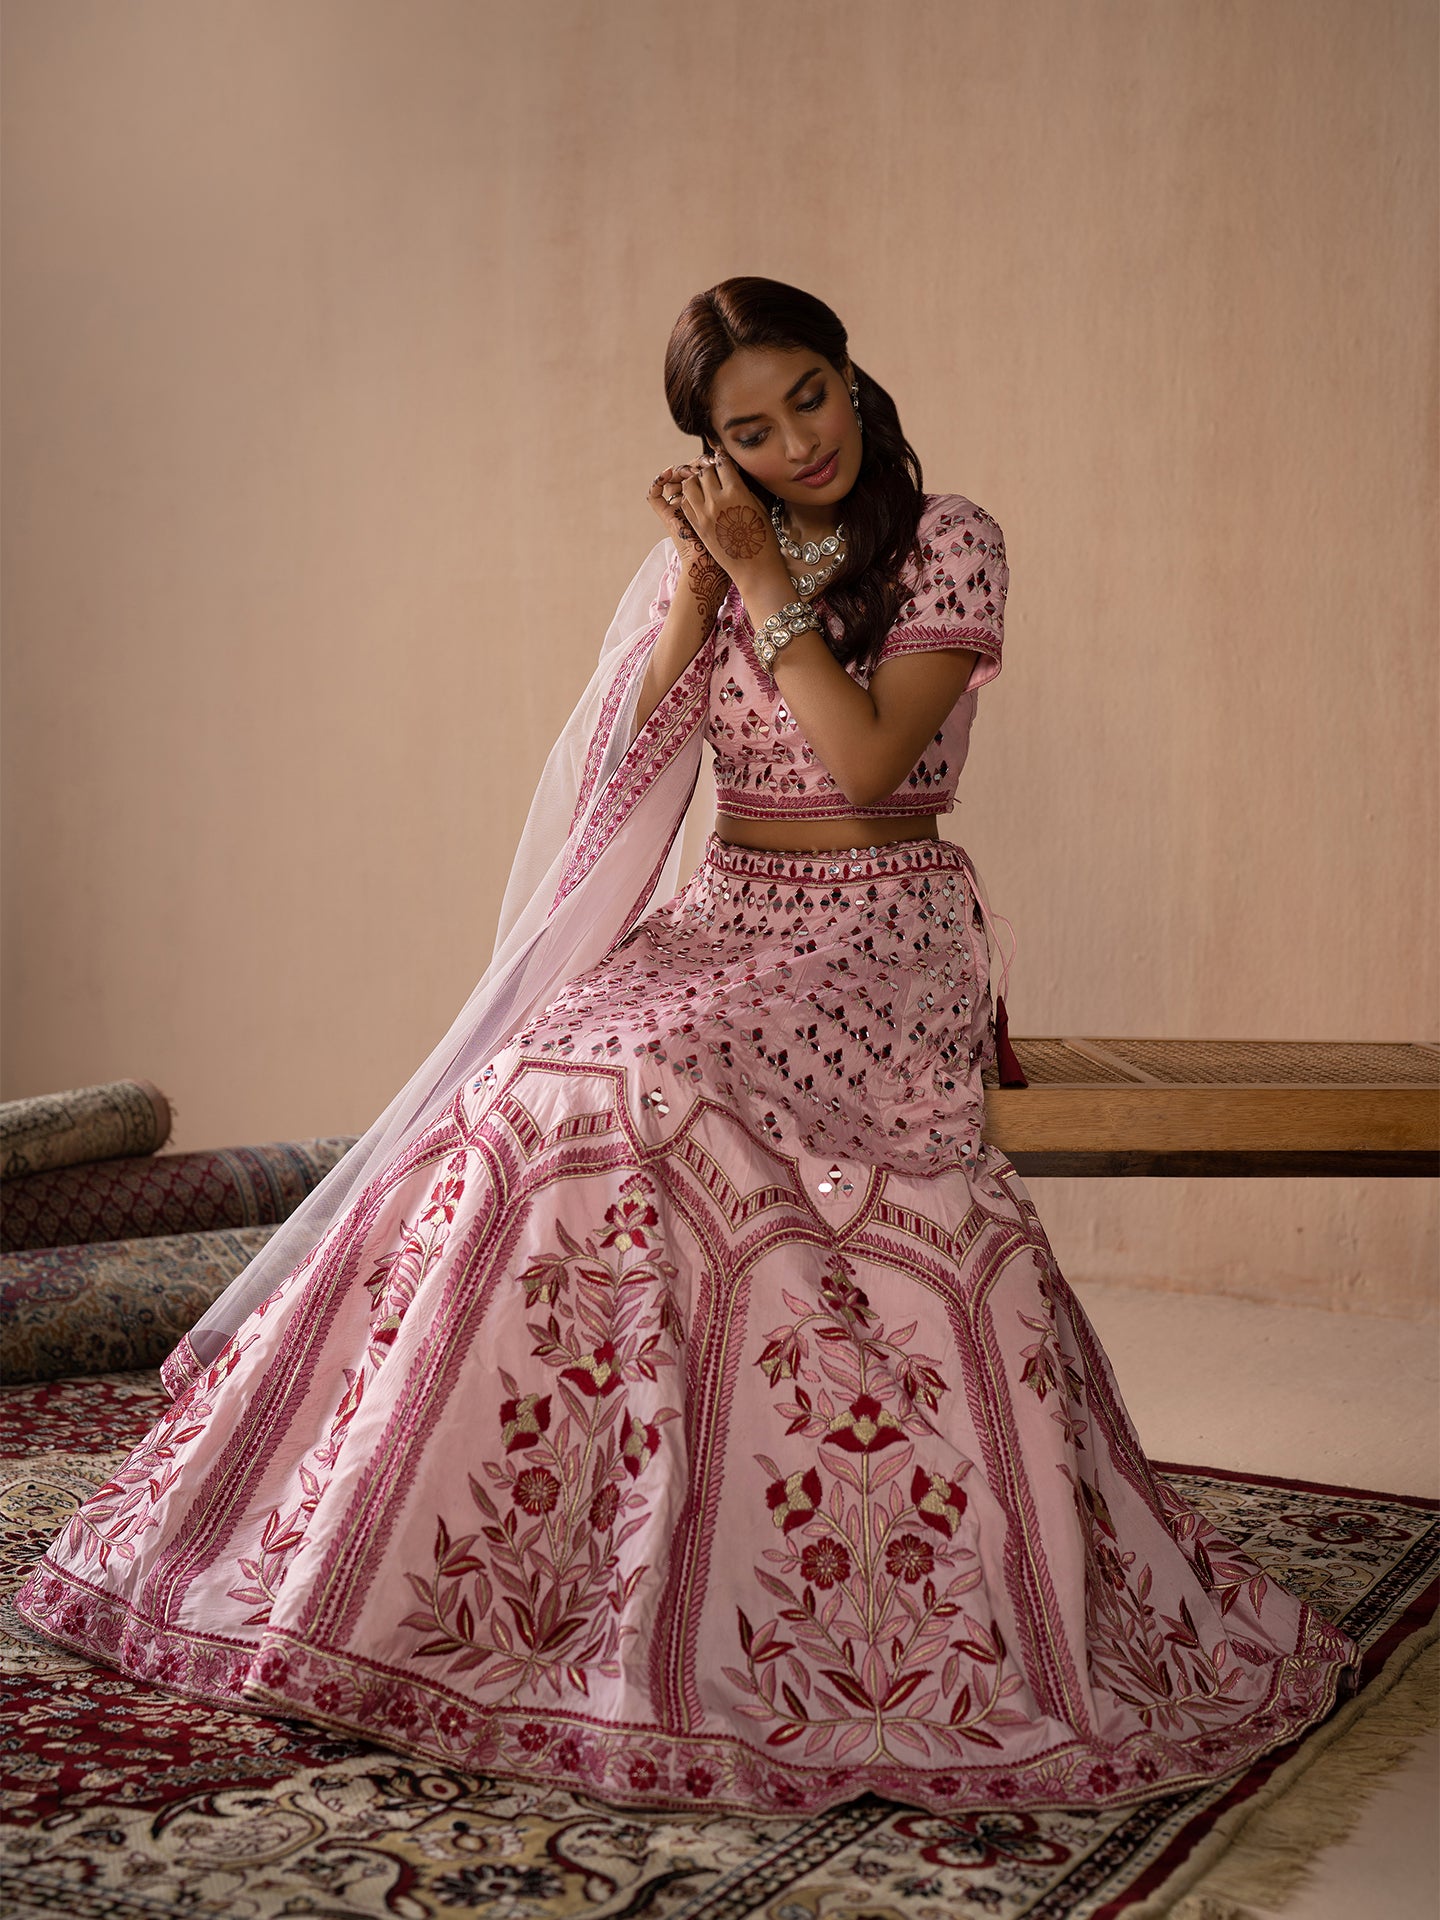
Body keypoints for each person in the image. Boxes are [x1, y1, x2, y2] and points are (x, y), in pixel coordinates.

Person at [15, 278, 1356, 1816]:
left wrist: (755, 576)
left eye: (812, 398)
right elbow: (629, 771)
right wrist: (685, 598)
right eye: (749, 430)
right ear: (705, 446)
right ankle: (502, 1556)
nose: (797, 442)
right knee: (537, 1088)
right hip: (725, 912)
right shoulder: (719, 555)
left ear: (857, 379)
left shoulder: (951, 538)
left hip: (877, 928)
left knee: (648, 1092)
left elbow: (866, 757)